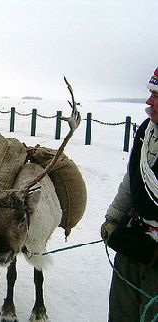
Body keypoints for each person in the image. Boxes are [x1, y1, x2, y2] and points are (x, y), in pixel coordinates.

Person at [101, 67, 158, 321]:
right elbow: (132, 179)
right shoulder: (147, 131)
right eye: (150, 93)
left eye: (156, 94)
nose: (149, 101)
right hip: (133, 243)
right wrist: (113, 218)